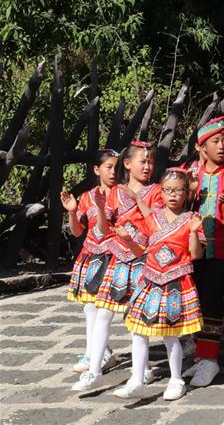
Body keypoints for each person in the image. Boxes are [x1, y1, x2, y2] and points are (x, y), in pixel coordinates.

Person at [73, 142, 159, 393]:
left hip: (143, 257)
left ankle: (140, 371)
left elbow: (157, 223)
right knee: (102, 311)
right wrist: (99, 208)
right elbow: (102, 228)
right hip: (119, 258)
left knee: (135, 317)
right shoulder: (114, 192)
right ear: (128, 164)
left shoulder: (156, 191)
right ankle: (94, 370)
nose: (147, 166)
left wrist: (135, 199)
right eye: (142, 161)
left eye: (150, 162)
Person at [112, 169, 205, 401]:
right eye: (168, 190)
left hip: (176, 283)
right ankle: (136, 379)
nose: (173, 195)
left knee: (170, 334)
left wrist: (194, 233)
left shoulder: (191, 220)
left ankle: (176, 379)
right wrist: (126, 239)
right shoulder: (151, 218)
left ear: (187, 193)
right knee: (138, 332)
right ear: (161, 192)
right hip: (150, 281)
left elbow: (196, 255)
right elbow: (139, 251)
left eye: (179, 190)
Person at [184, 117, 224, 387]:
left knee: (212, 301)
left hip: (221, 249)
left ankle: (210, 359)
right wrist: (190, 194)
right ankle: (201, 354)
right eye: (215, 142)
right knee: (195, 301)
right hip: (190, 249)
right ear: (202, 148)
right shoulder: (189, 174)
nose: (222, 146)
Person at [62, 149, 118, 376]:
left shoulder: (122, 195)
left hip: (115, 255)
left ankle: (99, 354)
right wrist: (72, 212)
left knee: (105, 309)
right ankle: (95, 352)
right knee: (90, 307)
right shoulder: (87, 197)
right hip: (92, 256)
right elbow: (77, 232)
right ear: (97, 170)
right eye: (108, 167)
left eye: (117, 167)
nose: (114, 172)